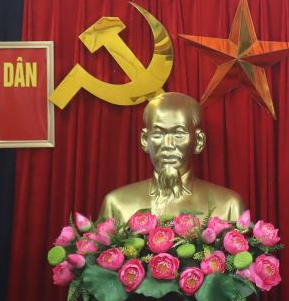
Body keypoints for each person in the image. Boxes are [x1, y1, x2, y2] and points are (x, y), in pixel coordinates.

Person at [99, 92, 246, 222]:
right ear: (144, 140)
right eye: (158, 134)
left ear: (198, 141)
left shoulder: (228, 206)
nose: (168, 145)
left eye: (179, 134)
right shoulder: (116, 204)